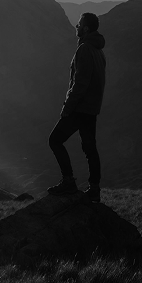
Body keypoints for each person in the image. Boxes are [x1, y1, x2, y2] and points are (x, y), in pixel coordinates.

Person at [47, 12, 106, 202]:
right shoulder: (98, 51)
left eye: (79, 24)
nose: (76, 27)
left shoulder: (84, 49)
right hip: (91, 109)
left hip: (80, 108)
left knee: (55, 140)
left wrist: (67, 107)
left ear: (86, 28)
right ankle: (94, 189)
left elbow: (80, 83)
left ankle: (68, 181)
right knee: (90, 148)